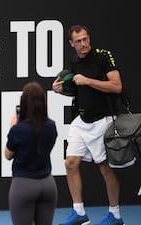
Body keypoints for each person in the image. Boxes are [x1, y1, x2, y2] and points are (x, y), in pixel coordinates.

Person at [52, 24, 124, 225]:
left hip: (103, 120)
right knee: (70, 163)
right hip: (81, 121)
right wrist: (61, 90)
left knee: (105, 168)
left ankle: (115, 215)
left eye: (85, 39)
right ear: (71, 44)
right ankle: (79, 213)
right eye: (78, 41)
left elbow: (117, 87)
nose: (83, 44)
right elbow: (77, 90)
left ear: (88, 38)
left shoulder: (103, 56)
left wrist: (88, 80)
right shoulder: (74, 61)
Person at [5, 81, 58, 225]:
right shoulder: (51, 126)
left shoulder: (18, 130)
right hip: (48, 185)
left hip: (23, 185)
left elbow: (8, 155)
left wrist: (12, 128)